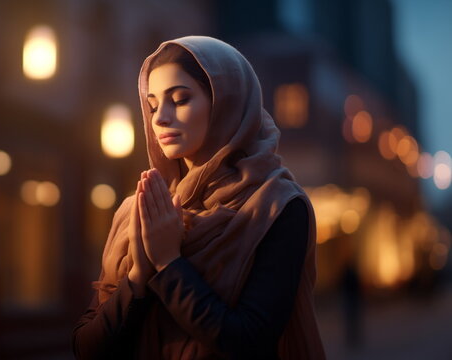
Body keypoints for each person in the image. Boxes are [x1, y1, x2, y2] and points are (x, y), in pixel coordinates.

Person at [72, 36, 325, 359]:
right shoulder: (140, 209)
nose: (160, 118)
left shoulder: (275, 207)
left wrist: (168, 263)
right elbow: (85, 347)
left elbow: (249, 341)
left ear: (225, 104)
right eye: (152, 105)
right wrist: (138, 276)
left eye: (179, 99)